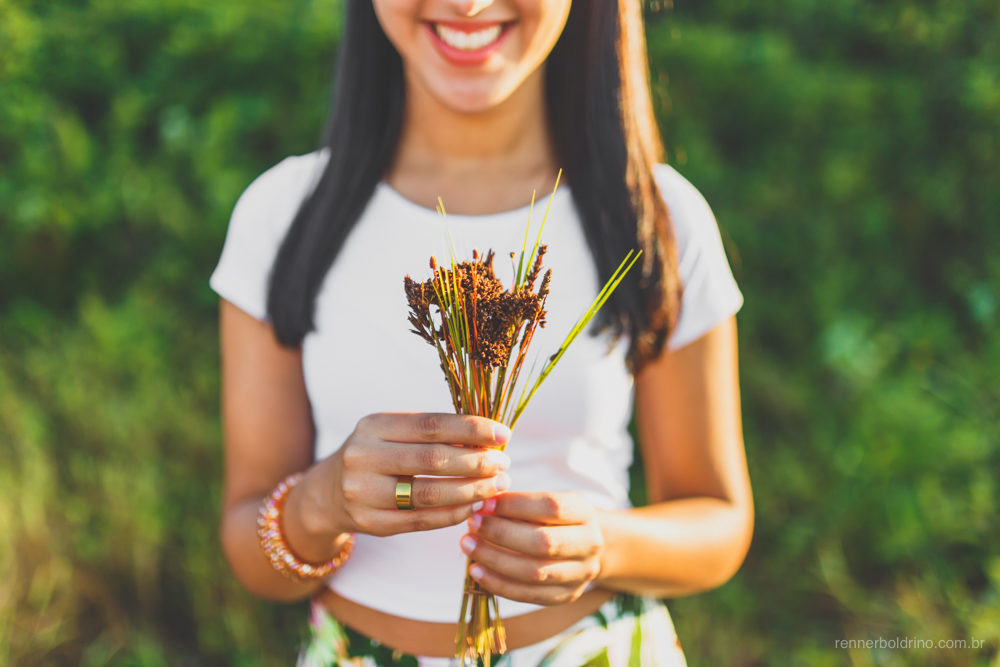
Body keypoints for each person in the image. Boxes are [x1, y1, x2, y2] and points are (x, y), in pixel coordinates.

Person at [210, 0, 753, 661]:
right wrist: (322, 502)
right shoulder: (284, 216)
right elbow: (249, 550)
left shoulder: (652, 217)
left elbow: (718, 519)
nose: (468, 4)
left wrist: (599, 543)